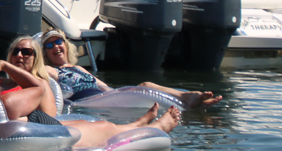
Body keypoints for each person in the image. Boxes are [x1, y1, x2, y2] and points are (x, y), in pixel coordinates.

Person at [0, 58, 181, 150]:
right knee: (105, 127)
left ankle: (141, 121)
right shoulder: (8, 102)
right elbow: (40, 88)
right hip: (47, 129)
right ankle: (153, 126)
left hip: (32, 128)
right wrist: (5, 64)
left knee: (87, 122)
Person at [39, 29, 223, 108]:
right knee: (146, 84)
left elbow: (106, 88)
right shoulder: (52, 70)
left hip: (104, 97)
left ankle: (191, 104)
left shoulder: (79, 68)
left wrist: (124, 93)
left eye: (58, 42)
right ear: (45, 53)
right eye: (49, 45)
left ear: (65, 44)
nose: (55, 47)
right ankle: (186, 97)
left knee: (144, 86)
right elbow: (37, 71)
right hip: (89, 103)